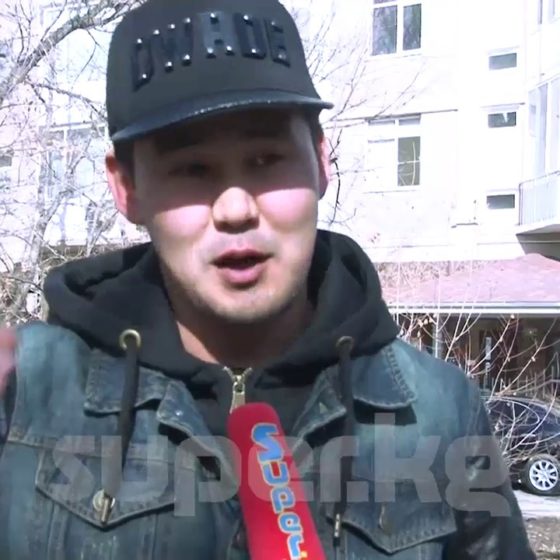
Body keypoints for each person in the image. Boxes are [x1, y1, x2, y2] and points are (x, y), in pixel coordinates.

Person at [0, 0, 536, 558]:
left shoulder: (439, 410)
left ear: (322, 161)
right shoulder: (24, 393)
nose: (235, 209)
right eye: (192, 169)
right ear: (126, 188)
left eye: (266, 160)